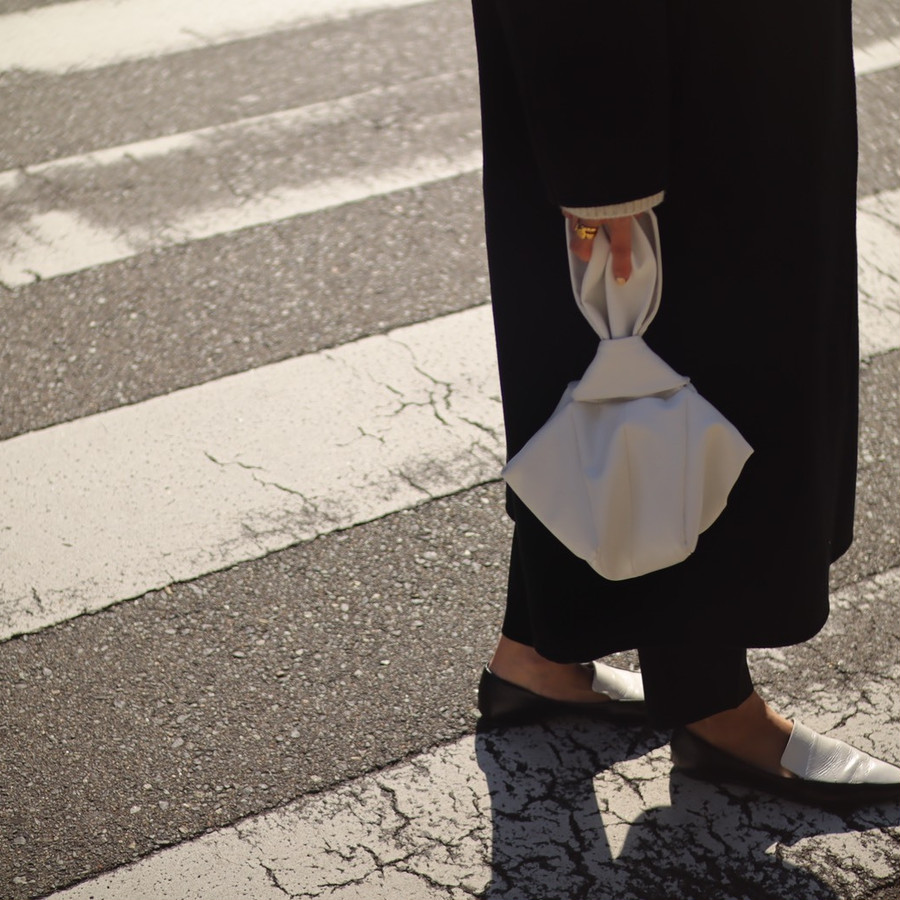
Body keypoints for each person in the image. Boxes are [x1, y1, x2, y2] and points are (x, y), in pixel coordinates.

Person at [470, 0, 900, 807]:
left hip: (720, 77)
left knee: (616, 380)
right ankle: (712, 705)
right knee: (698, 376)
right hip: (694, 97)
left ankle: (538, 649)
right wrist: (605, 169)